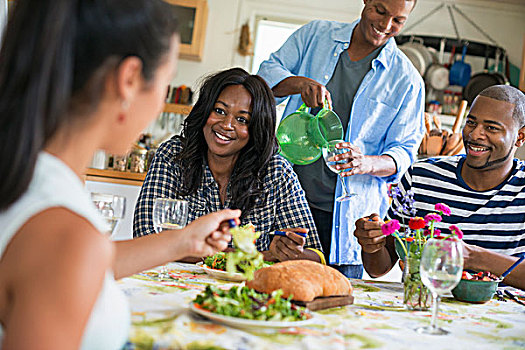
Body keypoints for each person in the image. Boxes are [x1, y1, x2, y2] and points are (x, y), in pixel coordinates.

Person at [0, 1, 240, 349]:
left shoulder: (31, 178)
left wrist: (183, 241)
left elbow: (70, 269)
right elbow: (70, 258)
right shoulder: (66, 236)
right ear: (128, 79)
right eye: (166, 81)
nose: (161, 103)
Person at [257, 0, 425, 277]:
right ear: (367, 1)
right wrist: (300, 83)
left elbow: (405, 153)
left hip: (348, 224)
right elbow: (264, 77)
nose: (385, 25)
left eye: (398, 21)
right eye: (380, 11)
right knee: (270, 294)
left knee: (337, 311)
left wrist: (366, 162)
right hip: (284, 205)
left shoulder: (407, 80)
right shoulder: (316, 36)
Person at [133, 67, 325, 263]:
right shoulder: (173, 156)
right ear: (204, 110)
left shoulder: (276, 172)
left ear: (257, 128)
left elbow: (315, 256)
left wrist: (289, 251)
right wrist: (260, 257)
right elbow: (146, 236)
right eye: (219, 111)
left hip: (247, 292)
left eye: (242, 119)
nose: (226, 125)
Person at [355, 85, 525, 290]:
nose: (474, 134)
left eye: (491, 128)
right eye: (471, 122)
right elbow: (378, 269)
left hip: (505, 317)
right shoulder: (419, 178)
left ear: (520, 137)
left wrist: (472, 256)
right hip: (424, 308)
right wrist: (372, 244)